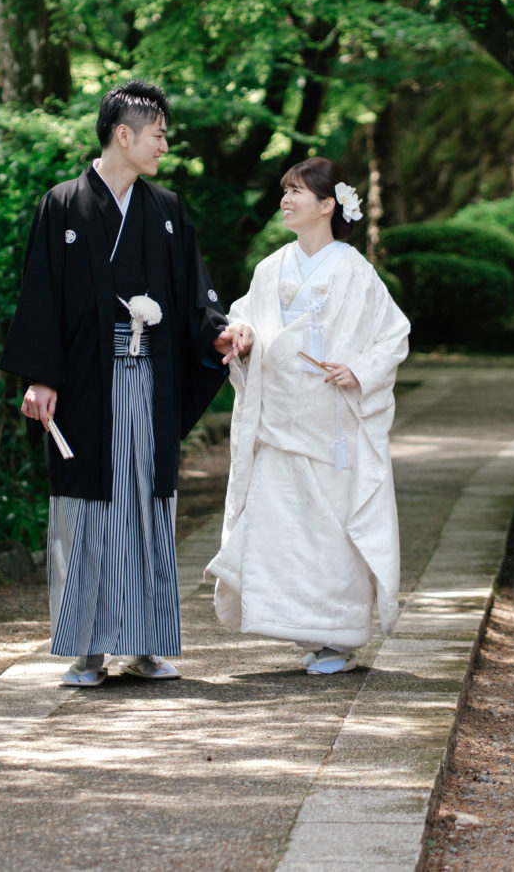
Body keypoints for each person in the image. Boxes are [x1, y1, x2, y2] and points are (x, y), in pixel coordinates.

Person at [0, 80, 234, 687]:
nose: (164, 145)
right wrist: (40, 377)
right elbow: (40, 296)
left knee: (148, 502)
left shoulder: (168, 210)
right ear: (123, 135)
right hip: (85, 382)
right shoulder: (62, 204)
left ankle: (147, 644)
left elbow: (194, 295)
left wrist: (217, 333)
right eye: (158, 134)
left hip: (151, 379)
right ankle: (87, 647)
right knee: (89, 506)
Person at [206, 157, 410, 674]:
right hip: (279, 420)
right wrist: (241, 336)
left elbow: (392, 334)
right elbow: (244, 319)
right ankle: (304, 628)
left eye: (297, 191)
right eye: (285, 190)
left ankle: (338, 636)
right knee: (283, 528)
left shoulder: (355, 270)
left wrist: (359, 370)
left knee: (331, 531)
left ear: (327, 205)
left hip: (330, 424)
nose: (285, 199)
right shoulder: (270, 267)